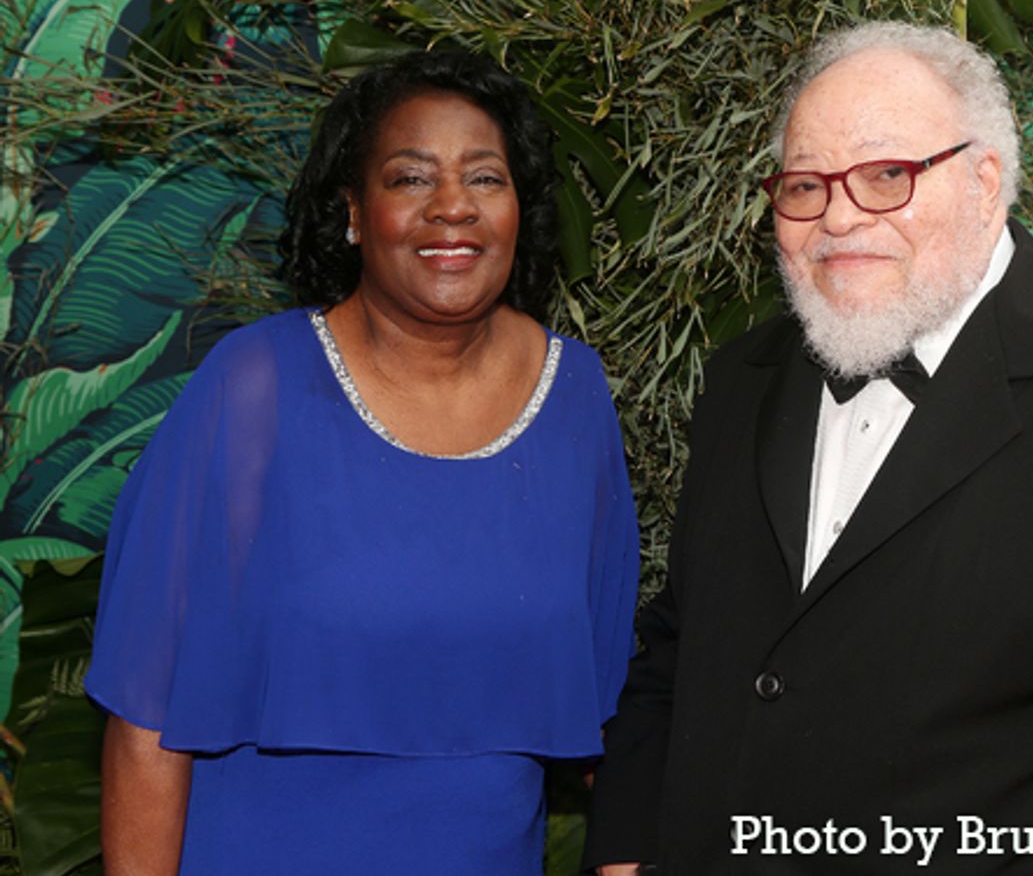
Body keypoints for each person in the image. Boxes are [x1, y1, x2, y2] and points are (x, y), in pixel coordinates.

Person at [583, 22, 1033, 874]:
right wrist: (628, 847)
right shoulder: (743, 380)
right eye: (803, 186)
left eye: (886, 177)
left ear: (985, 182)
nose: (837, 218)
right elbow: (688, 644)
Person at [86, 49, 639, 874]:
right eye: (411, 178)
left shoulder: (577, 397)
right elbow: (143, 719)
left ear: (520, 208)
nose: (452, 207)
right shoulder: (253, 389)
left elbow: (611, 711)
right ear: (351, 210)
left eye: (485, 178)